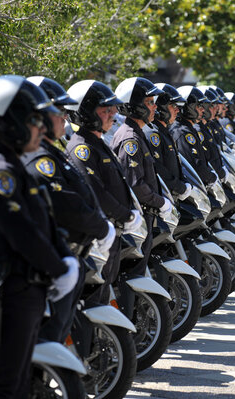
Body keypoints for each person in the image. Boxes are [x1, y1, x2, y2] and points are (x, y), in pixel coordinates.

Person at [0, 75, 79, 398]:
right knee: (2, 385)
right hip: (7, 291)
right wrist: (59, 269)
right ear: (8, 123)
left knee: (17, 384)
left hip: (24, 289)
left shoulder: (12, 166)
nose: (42, 128)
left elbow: (44, 220)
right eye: (33, 120)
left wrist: (64, 260)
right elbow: (22, 234)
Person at [22, 76, 116, 343]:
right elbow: (67, 203)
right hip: (55, 260)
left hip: (73, 254)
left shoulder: (52, 152)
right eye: (58, 112)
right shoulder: (40, 158)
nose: (64, 118)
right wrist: (101, 225)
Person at [65, 79, 142, 301]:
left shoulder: (98, 144)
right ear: (86, 112)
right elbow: (96, 192)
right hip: (100, 236)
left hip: (114, 233)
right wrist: (125, 214)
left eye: (113, 109)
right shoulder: (82, 149)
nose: (113, 115)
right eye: (105, 110)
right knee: (95, 299)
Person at [112, 77, 173, 276]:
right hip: (139, 216)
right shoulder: (130, 138)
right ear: (135, 106)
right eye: (149, 102)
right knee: (133, 273)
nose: (155, 107)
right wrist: (160, 202)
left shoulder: (136, 133)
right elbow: (135, 183)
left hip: (146, 214)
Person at [143, 83, 192, 200]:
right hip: (163, 198)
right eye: (173, 106)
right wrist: (179, 187)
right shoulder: (153, 133)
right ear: (161, 108)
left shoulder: (164, 131)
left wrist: (184, 181)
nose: (177, 110)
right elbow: (158, 168)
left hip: (172, 196)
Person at [172, 85, 218, 186]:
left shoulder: (189, 128)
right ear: (188, 108)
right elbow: (195, 163)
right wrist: (211, 177)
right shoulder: (182, 132)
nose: (202, 110)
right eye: (199, 106)